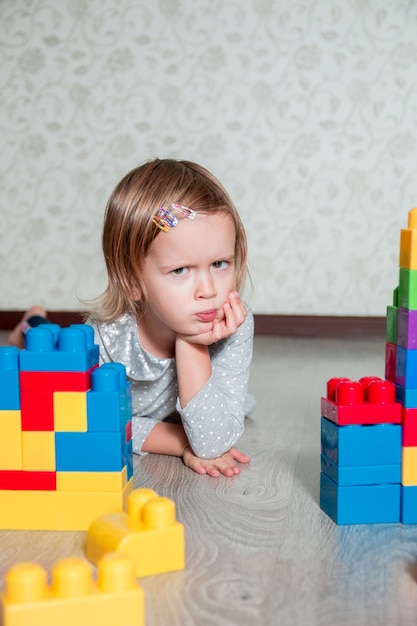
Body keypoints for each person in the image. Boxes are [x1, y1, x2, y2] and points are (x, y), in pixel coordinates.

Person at [9, 158, 255, 478]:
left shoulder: (233, 324)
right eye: (180, 270)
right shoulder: (105, 337)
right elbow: (92, 423)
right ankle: (30, 323)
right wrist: (181, 442)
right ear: (132, 281)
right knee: (50, 345)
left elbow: (212, 441)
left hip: (160, 411)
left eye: (220, 264)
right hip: (74, 350)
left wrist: (190, 343)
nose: (208, 290)